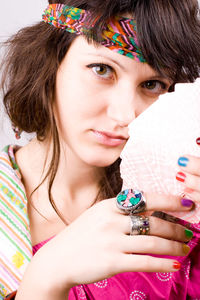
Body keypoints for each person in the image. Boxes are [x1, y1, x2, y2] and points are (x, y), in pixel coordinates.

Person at [1, 1, 200, 299]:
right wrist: (46, 277)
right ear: (50, 62)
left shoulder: (178, 212)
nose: (126, 115)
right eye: (102, 69)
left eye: (153, 84)